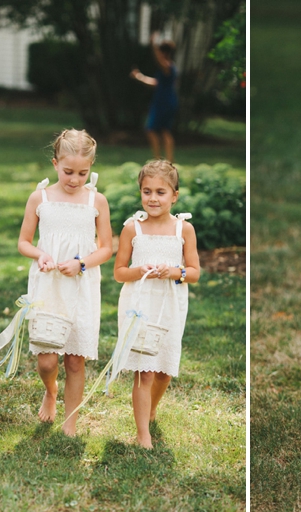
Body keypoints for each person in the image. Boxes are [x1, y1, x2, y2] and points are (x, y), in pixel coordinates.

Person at [18, 129, 113, 436]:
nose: (74, 179)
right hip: (48, 285)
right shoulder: (40, 197)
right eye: (68, 171)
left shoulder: (96, 200)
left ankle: (70, 423)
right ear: (55, 163)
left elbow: (106, 248)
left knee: (75, 360)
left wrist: (82, 263)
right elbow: (23, 242)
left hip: (81, 287)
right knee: (47, 361)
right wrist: (40, 254)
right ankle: (50, 389)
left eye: (82, 173)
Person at [113, 160, 200, 449]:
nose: (153, 198)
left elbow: (195, 272)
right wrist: (142, 270)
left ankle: (152, 408)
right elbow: (119, 272)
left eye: (160, 192)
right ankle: (142, 434)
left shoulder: (183, 230)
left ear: (174, 195)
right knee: (144, 369)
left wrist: (175, 272)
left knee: (163, 370)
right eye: (146, 191)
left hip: (171, 304)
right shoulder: (132, 229)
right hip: (139, 302)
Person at [130, 33, 179, 163]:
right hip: (163, 101)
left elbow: (158, 59)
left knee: (153, 130)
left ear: (165, 53)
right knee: (163, 131)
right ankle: (165, 160)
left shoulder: (168, 67)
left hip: (164, 102)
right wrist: (139, 76)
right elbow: (156, 83)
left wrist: (153, 44)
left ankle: (161, 159)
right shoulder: (169, 69)